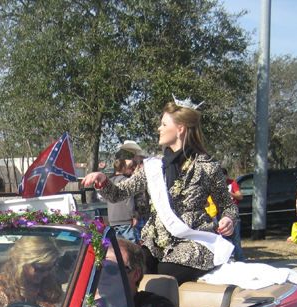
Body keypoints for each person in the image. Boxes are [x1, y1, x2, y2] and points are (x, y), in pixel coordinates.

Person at [81, 97, 237, 285]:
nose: (159, 129)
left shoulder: (207, 166)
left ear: (180, 129)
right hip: (155, 243)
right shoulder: (154, 165)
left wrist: (228, 219)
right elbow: (118, 194)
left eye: (164, 124)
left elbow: (228, 206)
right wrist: (103, 181)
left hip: (192, 243)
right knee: (129, 273)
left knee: (160, 281)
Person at [97, 238, 189, 307]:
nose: (102, 275)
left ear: (135, 274)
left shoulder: (150, 305)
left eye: (112, 269)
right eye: (99, 268)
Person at [104, 158, 139, 243]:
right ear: (123, 168)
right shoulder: (125, 181)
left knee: (118, 246)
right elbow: (129, 201)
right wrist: (133, 216)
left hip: (112, 219)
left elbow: (106, 199)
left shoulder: (109, 182)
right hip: (125, 218)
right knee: (131, 245)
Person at [222, 167, 245, 261]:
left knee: (235, 236)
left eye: (223, 176)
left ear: (226, 176)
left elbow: (240, 196)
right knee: (222, 237)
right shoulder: (215, 184)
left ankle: (239, 258)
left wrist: (230, 193)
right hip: (220, 213)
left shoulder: (232, 183)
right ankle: (224, 259)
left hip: (232, 213)